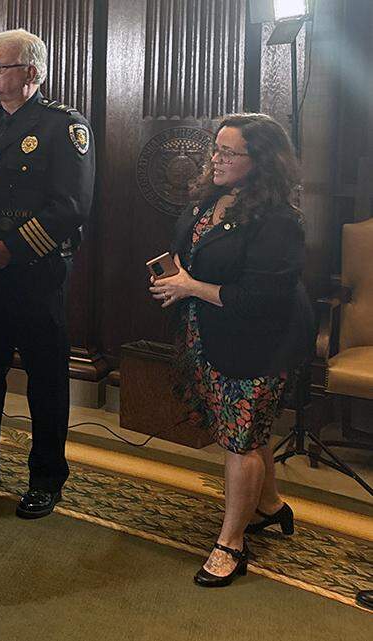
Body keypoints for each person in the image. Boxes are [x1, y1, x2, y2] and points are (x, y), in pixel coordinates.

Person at [150, 113, 312, 588]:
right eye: (215, 149)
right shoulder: (210, 200)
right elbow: (189, 256)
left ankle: (231, 545)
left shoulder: (281, 221)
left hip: (262, 339)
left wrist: (191, 287)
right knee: (246, 427)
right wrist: (172, 277)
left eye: (228, 152)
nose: (215, 159)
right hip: (212, 330)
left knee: (240, 438)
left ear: (259, 161)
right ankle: (271, 506)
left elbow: (260, 299)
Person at [0, 29, 95, 520]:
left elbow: (71, 206)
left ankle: (47, 477)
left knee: (45, 379)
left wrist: (12, 248)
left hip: (36, 270)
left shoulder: (63, 126)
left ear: (30, 73)